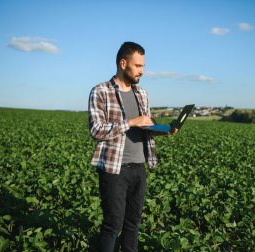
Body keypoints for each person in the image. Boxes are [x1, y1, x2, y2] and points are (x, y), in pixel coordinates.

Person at [88, 42, 176, 252]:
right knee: (113, 225)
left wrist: (164, 130)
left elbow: (144, 127)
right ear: (123, 63)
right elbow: (97, 130)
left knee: (133, 224)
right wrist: (131, 122)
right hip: (114, 169)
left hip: (139, 167)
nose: (142, 71)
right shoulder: (100, 91)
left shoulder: (142, 94)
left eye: (143, 66)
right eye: (138, 66)